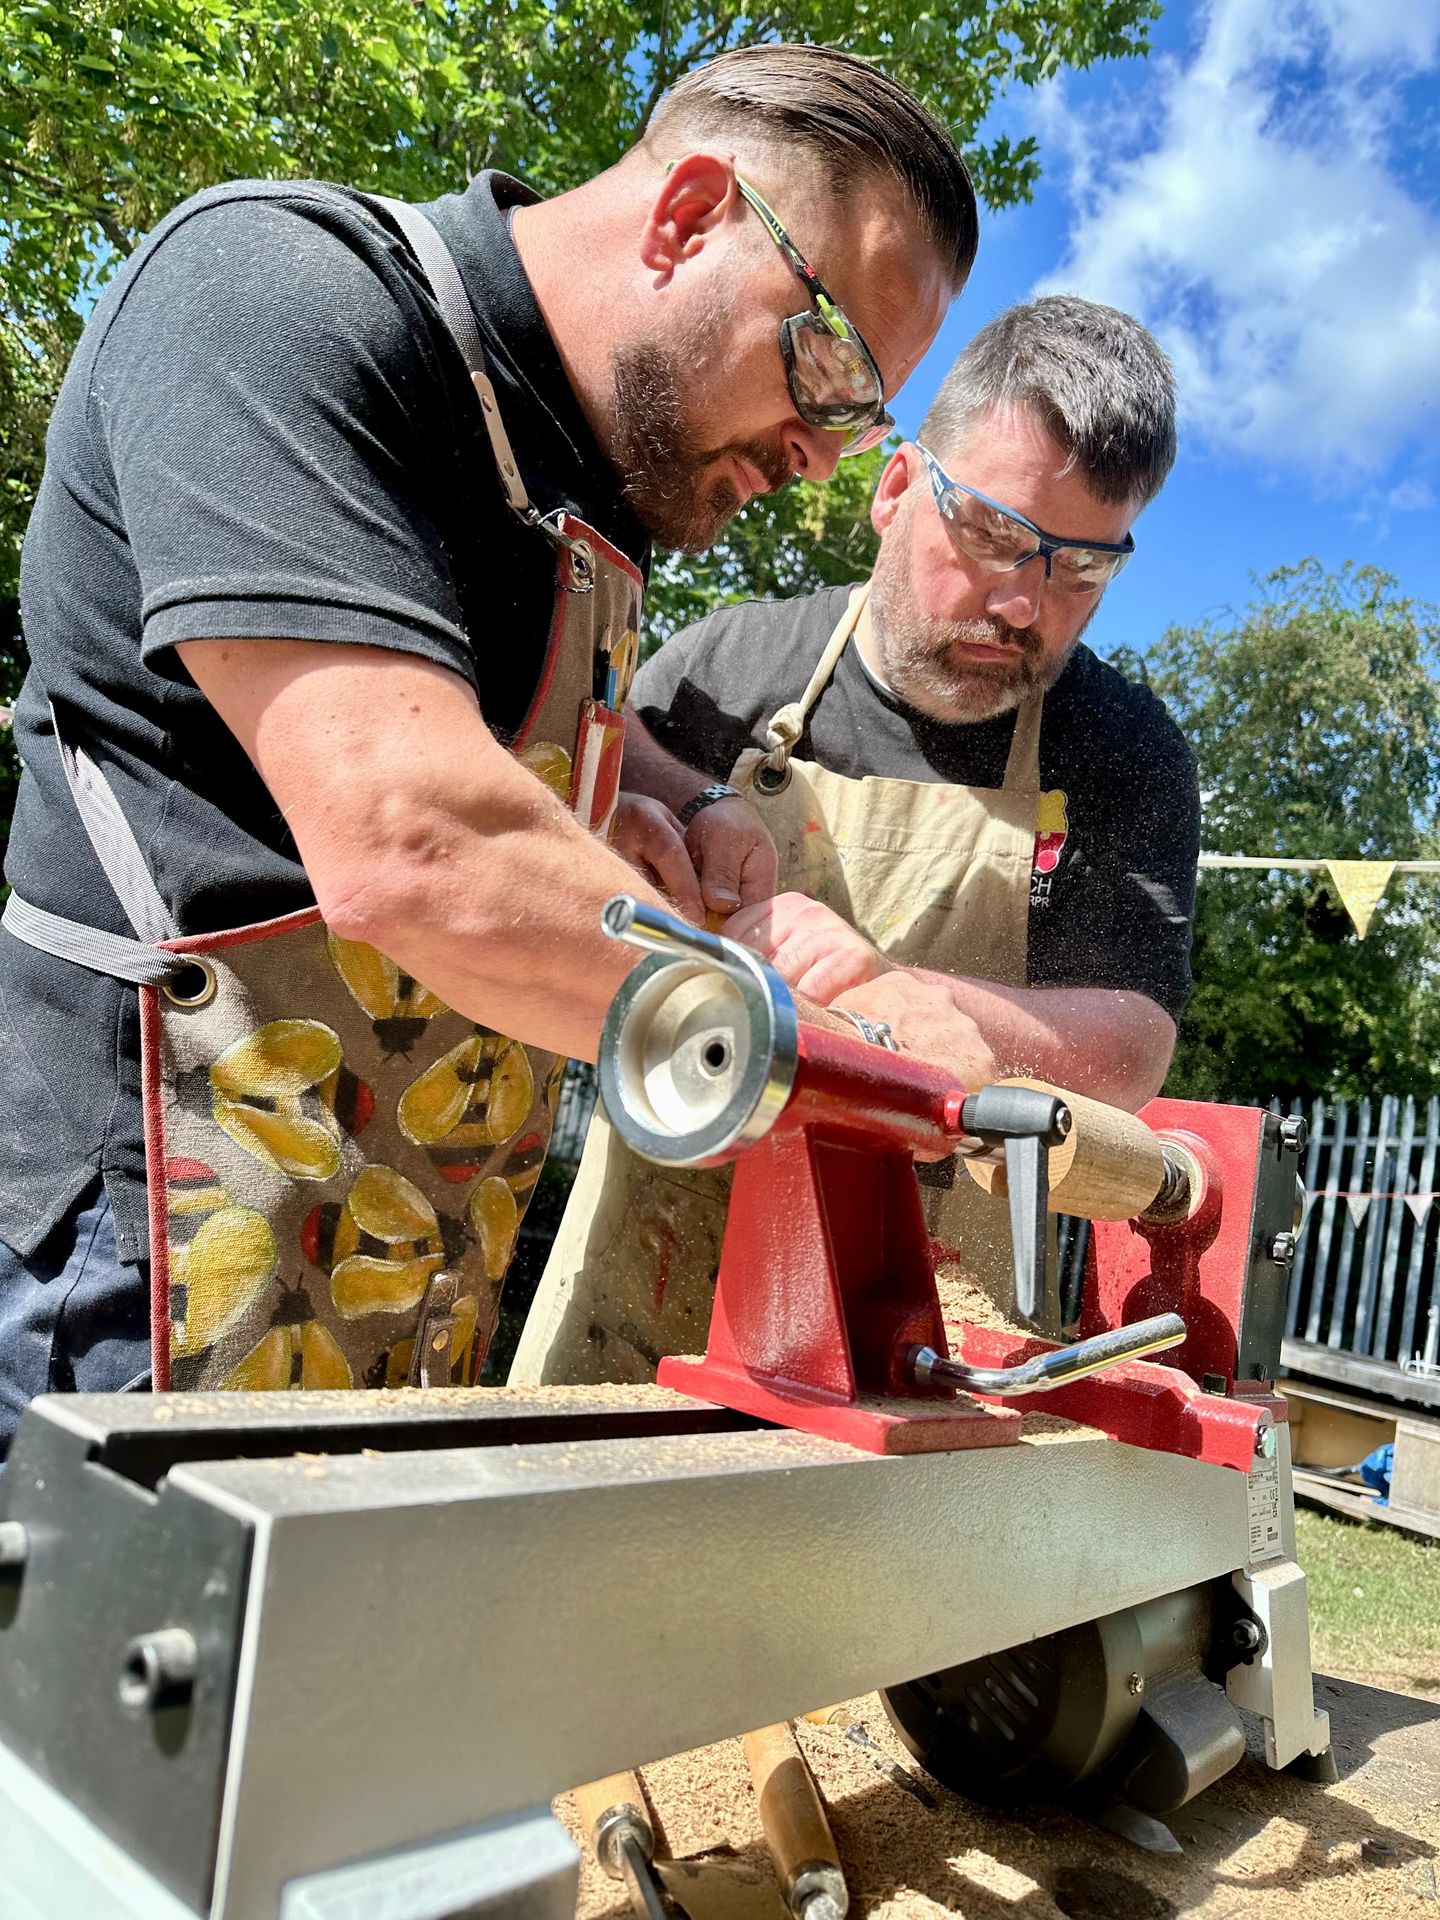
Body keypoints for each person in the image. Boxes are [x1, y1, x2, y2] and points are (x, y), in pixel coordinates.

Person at [0, 45, 986, 1453]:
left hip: (419, 1281)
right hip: (139, 1255)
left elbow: (498, 733)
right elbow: (421, 845)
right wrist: (845, 1056)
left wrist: (676, 796)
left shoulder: (596, 484)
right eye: (830, 367)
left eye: (863, 413)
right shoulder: (278, 298)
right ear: (690, 214)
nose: (824, 455)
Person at [511, 295, 1201, 1385]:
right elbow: (581, 792)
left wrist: (893, 996)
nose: (1025, 605)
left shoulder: (1125, 752)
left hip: (930, 1336)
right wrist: (691, 803)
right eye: (994, 535)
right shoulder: (722, 673)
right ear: (895, 488)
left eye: (1080, 568)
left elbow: (1129, 1050)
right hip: (640, 1301)